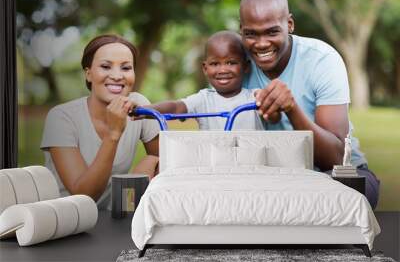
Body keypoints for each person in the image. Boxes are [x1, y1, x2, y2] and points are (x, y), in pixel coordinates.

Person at [239, 0, 380, 209]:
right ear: (241, 31)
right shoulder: (234, 65)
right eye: (251, 34)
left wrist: (291, 108)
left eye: (272, 32)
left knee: (338, 197)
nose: (262, 43)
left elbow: (335, 157)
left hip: (335, 175)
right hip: (273, 177)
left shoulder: (322, 60)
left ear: (290, 25)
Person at [41, 34, 160, 210]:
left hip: (117, 214)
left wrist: (147, 166)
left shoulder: (138, 106)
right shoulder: (61, 117)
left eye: (126, 68)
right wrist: (113, 134)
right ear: (88, 74)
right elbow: (84, 196)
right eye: (105, 66)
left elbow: (170, 161)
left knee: (155, 161)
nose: (117, 76)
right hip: (69, 219)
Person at [135, 30, 278, 130]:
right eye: (215, 64)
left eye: (231, 63)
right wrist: (143, 111)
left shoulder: (254, 97)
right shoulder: (203, 99)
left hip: (251, 168)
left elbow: (273, 116)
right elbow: (175, 107)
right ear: (205, 68)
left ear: (246, 67)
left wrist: (268, 105)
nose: (223, 70)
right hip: (213, 169)